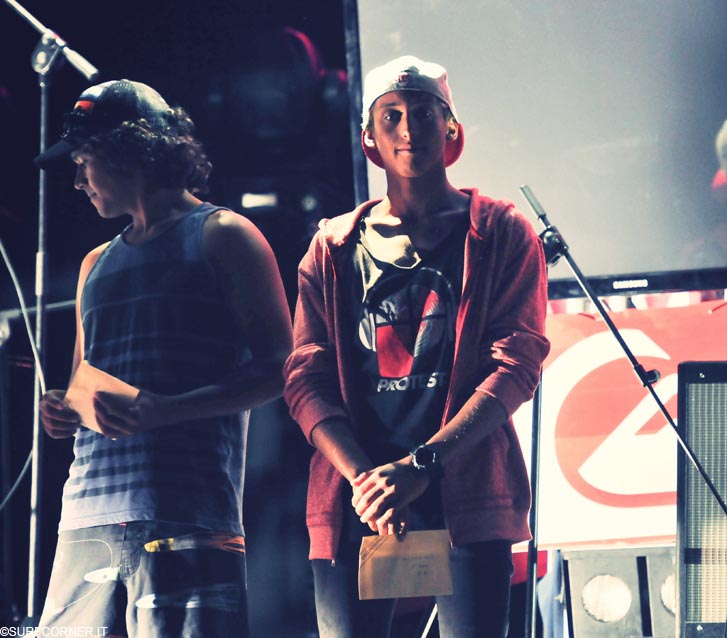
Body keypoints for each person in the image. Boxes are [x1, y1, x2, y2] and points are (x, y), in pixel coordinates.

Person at [283, 56, 550, 637]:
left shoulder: (502, 231)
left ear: (451, 128)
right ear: (369, 138)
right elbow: (304, 379)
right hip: (359, 500)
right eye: (392, 115)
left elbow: (516, 364)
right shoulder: (332, 248)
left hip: (467, 489)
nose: (409, 128)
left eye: (425, 113)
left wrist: (421, 465)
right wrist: (368, 481)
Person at [34, 79, 293, 636]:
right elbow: (83, 380)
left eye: (83, 162)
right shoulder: (94, 264)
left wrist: (168, 409)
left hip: (187, 513)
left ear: (127, 150)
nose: (77, 181)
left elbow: (281, 367)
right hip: (87, 517)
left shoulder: (224, 234)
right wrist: (63, 409)